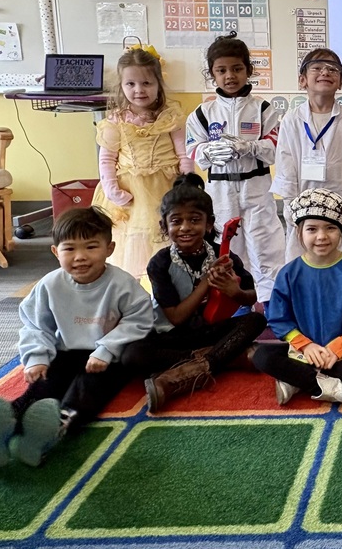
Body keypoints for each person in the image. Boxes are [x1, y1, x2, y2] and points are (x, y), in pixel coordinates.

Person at [0, 208, 152, 469]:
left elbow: (140, 320)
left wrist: (107, 350)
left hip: (106, 358)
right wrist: (36, 358)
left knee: (88, 389)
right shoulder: (49, 284)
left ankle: (53, 429)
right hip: (66, 351)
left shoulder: (122, 284)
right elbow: (35, 324)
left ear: (109, 248)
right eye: (69, 249)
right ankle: (6, 423)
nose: (80, 257)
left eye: (91, 247)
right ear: (56, 252)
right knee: (44, 384)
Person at [121, 174, 267, 412]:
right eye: (176, 221)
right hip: (174, 336)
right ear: (164, 226)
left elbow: (251, 297)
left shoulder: (224, 254)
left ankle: (191, 371)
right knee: (132, 355)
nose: (185, 227)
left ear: (208, 224)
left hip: (212, 331)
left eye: (194, 220)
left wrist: (234, 291)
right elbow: (176, 318)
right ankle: (228, 358)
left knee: (257, 319)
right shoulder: (159, 263)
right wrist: (206, 284)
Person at [252, 188, 342, 411]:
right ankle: (336, 388)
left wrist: (337, 348)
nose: (321, 236)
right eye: (312, 229)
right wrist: (307, 346)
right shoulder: (289, 273)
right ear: (299, 232)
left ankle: (297, 381)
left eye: (330, 228)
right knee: (261, 356)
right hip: (303, 352)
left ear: (341, 232)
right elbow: (278, 318)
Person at [186, 34, 285, 303]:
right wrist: (207, 151)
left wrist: (250, 147)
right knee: (226, 249)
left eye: (237, 69)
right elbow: (192, 149)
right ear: (212, 75)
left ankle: (269, 305)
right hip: (220, 189)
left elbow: (277, 146)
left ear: (248, 70)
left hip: (256, 187)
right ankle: (232, 304)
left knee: (265, 246)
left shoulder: (264, 109)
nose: (230, 76)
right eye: (221, 70)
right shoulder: (202, 113)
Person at [92, 48, 193, 278]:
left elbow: (184, 154)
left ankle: (169, 281)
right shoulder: (116, 120)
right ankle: (138, 284)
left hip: (167, 188)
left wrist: (187, 186)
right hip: (131, 191)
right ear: (122, 86)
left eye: (146, 83)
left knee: (165, 232)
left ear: (159, 83)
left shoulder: (170, 116)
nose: (139, 90)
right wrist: (111, 189)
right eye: (131, 84)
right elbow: (107, 158)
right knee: (136, 237)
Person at [272, 49, 342, 263]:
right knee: (302, 264)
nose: (325, 72)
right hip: (303, 210)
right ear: (302, 80)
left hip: (341, 210)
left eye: (332, 69)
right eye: (317, 68)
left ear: (340, 82)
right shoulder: (292, 120)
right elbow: (286, 166)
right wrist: (292, 209)